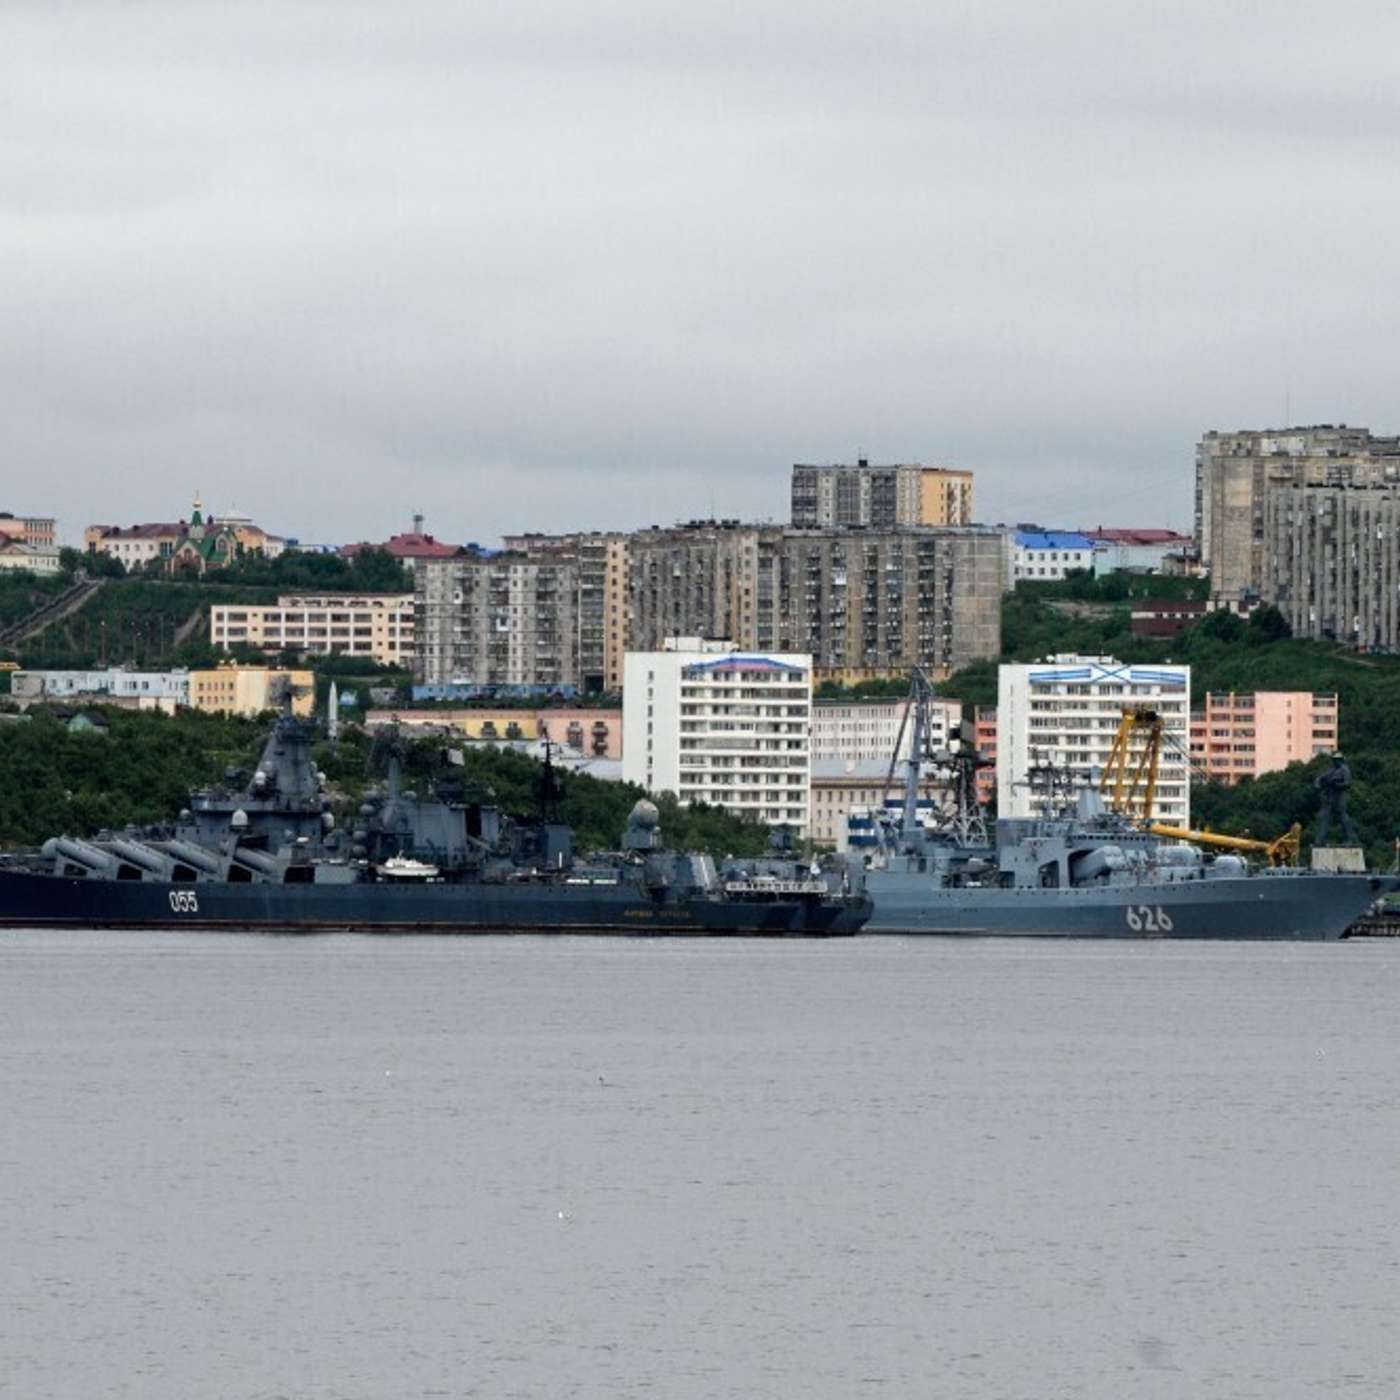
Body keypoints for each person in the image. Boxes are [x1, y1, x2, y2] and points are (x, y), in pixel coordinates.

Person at [1314, 752, 1359, 847]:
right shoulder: (1332, 770)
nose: (1335, 762)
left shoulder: (1345, 770)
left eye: (1337, 760)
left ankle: (1350, 839)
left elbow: (1347, 784)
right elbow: (1321, 777)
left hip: (1340, 797)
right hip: (1329, 797)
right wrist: (1318, 783)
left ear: (1341, 760)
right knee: (1325, 818)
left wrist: (1337, 784)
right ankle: (1321, 840)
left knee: (1343, 818)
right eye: (1334, 760)